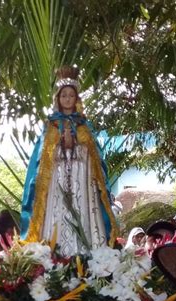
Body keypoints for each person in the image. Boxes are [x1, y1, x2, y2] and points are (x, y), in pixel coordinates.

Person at [20, 66, 118, 256]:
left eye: (70, 96)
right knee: (56, 216)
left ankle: (90, 249)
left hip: (82, 182)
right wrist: (60, 147)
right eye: (63, 95)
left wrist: (77, 146)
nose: (67, 99)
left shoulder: (84, 126)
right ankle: (53, 253)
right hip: (56, 185)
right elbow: (42, 162)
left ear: (76, 99)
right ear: (58, 98)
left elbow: (94, 159)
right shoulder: (50, 126)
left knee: (84, 214)